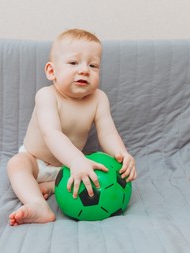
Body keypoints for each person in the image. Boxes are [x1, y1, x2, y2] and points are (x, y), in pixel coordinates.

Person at [7, 29, 137, 226]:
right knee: (16, 164)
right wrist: (76, 160)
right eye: (74, 63)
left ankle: (52, 185)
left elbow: (108, 132)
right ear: (52, 71)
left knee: (100, 162)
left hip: (69, 166)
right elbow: (51, 134)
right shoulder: (47, 95)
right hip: (37, 160)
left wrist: (122, 154)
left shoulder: (98, 98)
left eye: (93, 65)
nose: (84, 70)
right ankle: (37, 204)